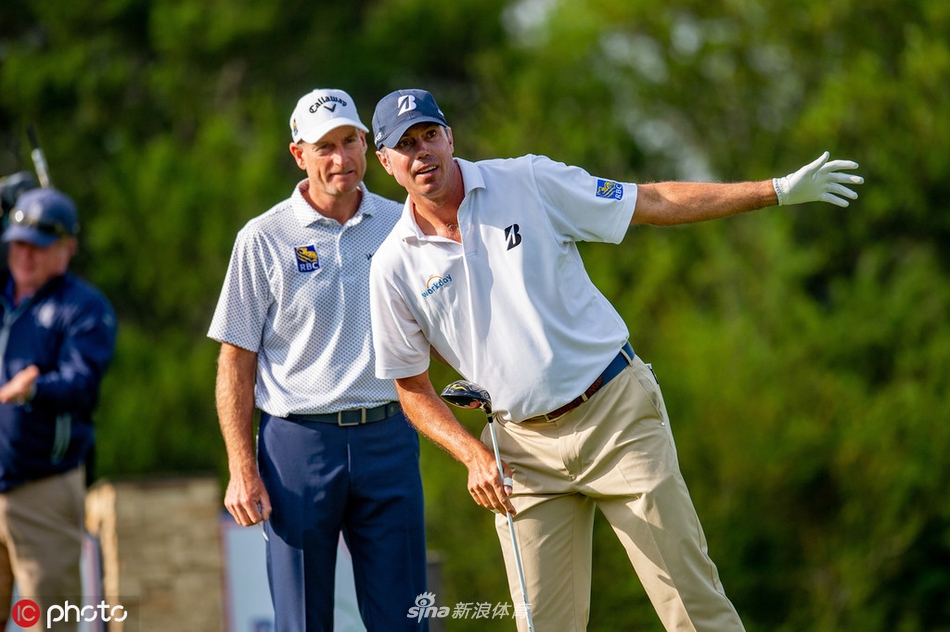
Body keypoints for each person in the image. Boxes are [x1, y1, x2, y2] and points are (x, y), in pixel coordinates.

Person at [367, 88, 864, 632]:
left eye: (430, 135)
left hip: (615, 415)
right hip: (519, 452)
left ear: (450, 137)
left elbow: (650, 201)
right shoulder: (392, 266)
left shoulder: (528, 180)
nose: (422, 152)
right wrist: (472, 455)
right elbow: (412, 387)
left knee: (691, 605)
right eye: (406, 145)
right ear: (386, 162)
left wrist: (774, 191)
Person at [208, 88, 429, 632]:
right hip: (297, 446)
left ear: (365, 143)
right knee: (302, 620)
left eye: (349, 141)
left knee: (405, 618)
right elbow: (235, 361)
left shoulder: (403, 223)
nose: (341, 158)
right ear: (298, 154)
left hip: (389, 434)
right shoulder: (262, 238)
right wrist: (241, 468)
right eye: (324, 146)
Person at [0, 187, 117, 631]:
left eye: (39, 246)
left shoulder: (84, 307)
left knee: (48, 624)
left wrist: (36, 389)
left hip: (43, 488)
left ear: (67, 249)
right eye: (18, 243)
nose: (25, 255)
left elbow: (82, 383)